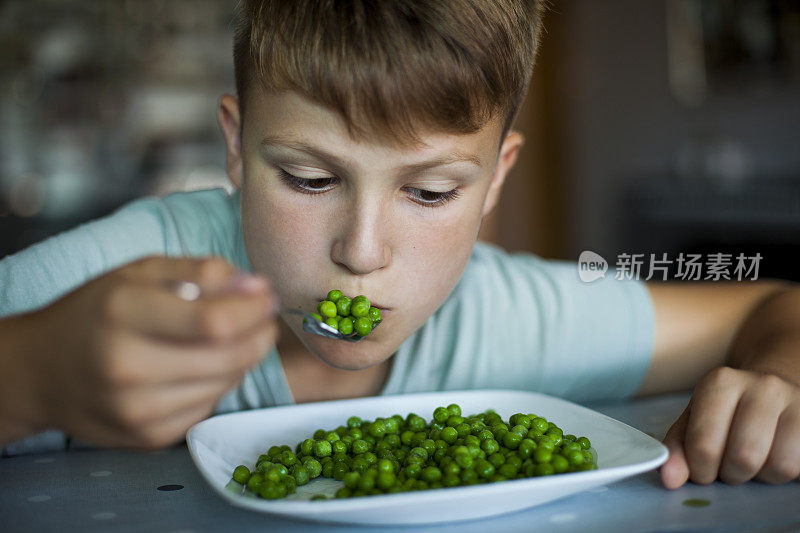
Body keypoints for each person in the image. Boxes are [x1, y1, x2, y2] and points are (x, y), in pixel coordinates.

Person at [0, 0, 798, 492]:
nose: (362, 250)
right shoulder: (127, 276)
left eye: (429, 192)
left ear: (493, 183)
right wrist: (30, 374)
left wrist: (777, 383)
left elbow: (773, 304)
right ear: (237, 151)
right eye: (310, 179)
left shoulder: (503, 313)